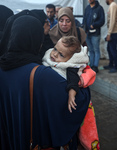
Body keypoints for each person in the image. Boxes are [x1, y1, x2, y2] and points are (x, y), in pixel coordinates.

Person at [0, 15, 90, 150]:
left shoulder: (2, 67)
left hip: (9, 139)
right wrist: (83, 76)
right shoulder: (41, 74)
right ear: (35, 40)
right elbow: (78, 101)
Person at [42, 36, 91, 113]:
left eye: (61, 55)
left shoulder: (70, 67)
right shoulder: (48, 55)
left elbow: (73, 82)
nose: (54, 54)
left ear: (71, 59)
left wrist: (71, 96)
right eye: (55, 49)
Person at [83, 0, 105, 73]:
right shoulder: (87, 8)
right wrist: (84, 28)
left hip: (95, 33)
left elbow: (102, 21)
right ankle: (91, 66)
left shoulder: (99, 8)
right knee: (91, 50)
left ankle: (95, 66)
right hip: (87, 33)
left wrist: (94, 25)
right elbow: (84, 19)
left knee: (96, 50)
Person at [104, 0, 117, 73]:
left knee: (113, 50)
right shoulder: (112, 5)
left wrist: (109, 33)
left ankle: (116, 67)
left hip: (114, 32)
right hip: (113, 32)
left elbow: (112, 21)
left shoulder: (113, 5)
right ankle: (111, 64)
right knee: (109, 48)